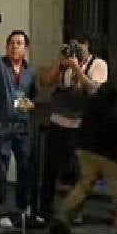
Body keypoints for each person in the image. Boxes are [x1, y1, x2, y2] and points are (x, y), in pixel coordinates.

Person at [49, 50, 117, 234]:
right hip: (110, 149)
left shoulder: (109, 85)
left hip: (86, 143)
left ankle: (63, 217)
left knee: (84, 184)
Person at [37, 32, 108, 220]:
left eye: (79, 45)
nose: (76, 49)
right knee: (50, 169)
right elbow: (45, 83)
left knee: (78, 171)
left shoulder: (98, 64)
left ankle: (74, 211)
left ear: (87, 45)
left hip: (80, 125)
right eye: (71, 45)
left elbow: (94, 90)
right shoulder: (65, 62)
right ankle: (45, 209)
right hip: (57, 121)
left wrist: (77, 69)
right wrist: (60, 62)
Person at [0, 23, 38, 227]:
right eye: (12, 43)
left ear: (25, 48)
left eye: (19, 43)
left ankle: (23, 208)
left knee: (25, 167)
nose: (15, 47)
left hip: (22, 127)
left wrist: (29, 105)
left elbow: (33, 96)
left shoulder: (30, 71)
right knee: (1, 169)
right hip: (2, 126)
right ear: (7, 47)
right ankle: (1, 211)